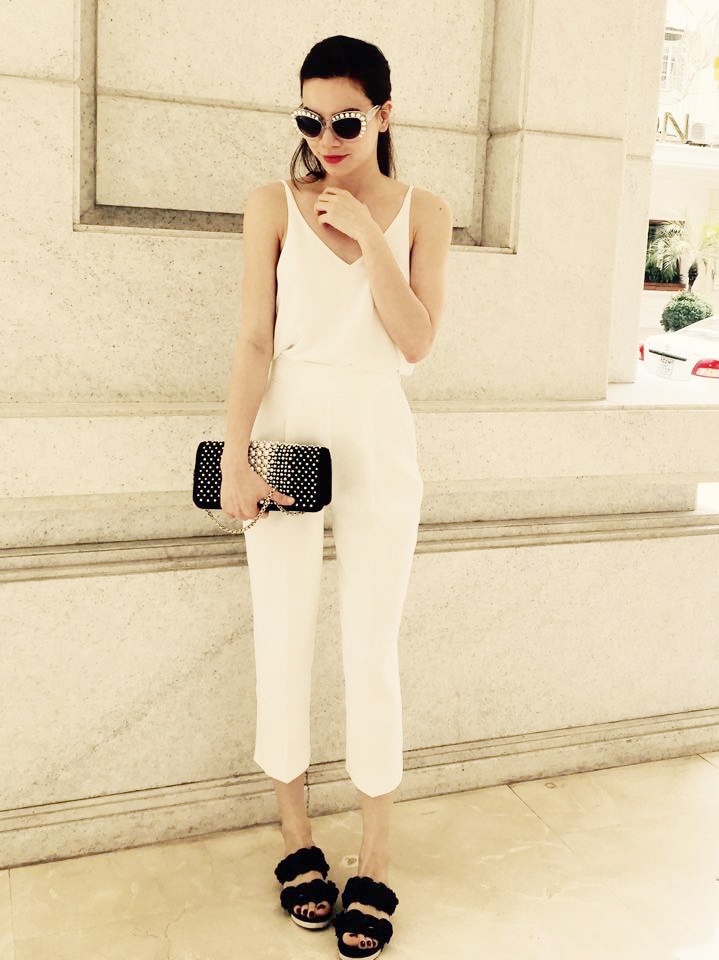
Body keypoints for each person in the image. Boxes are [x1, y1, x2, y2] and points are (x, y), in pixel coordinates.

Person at [219, 34, 452, 958]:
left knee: (372, 645)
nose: (325, 139)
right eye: (309, 121)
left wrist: (366, 237)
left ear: (384, 116)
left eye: (346, 121)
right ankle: (295, 835)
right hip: (285, 430)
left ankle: (376, 854)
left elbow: (415, 342)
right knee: (281, 630)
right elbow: (252, 338)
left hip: (378, 433)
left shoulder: (424, 211)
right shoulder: (269, 204)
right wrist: (234, 455)